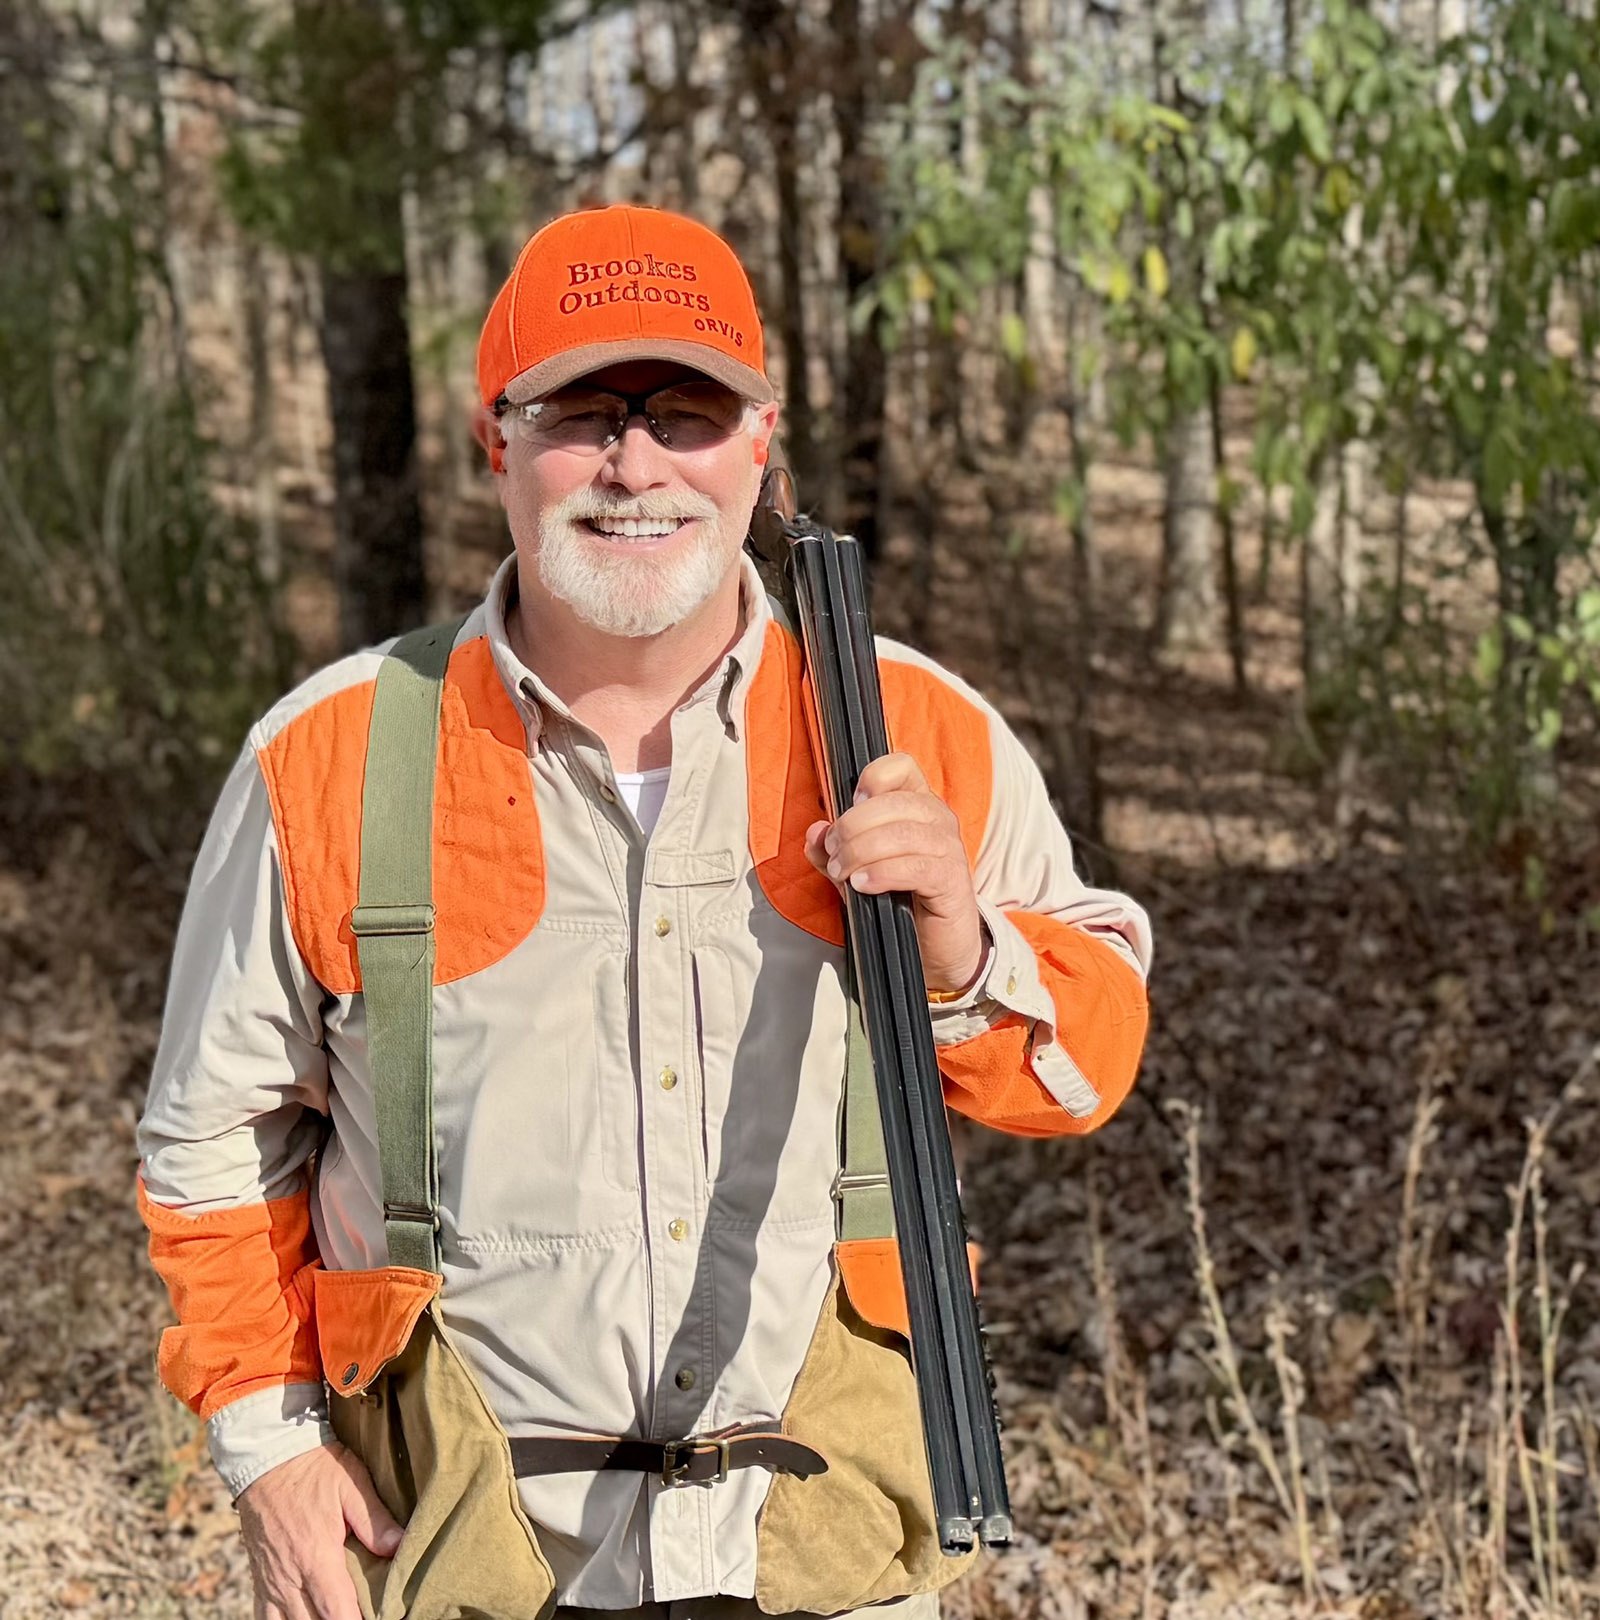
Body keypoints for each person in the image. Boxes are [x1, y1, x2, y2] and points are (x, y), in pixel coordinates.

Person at [137, 204, 1152, 1620]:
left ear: (761, 443)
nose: (635, 466)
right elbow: (212, 1142)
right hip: (457, 1556)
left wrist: (962, 950)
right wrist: (271, 1451)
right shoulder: (330, 756)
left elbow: (1084, 1071)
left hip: (825, 1559)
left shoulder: (914, 729)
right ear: (497, 443)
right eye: (580, 415)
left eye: (687, 413)